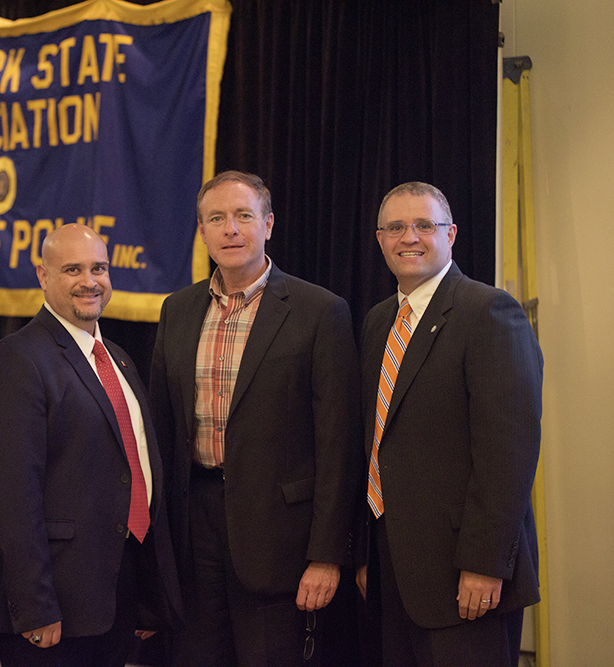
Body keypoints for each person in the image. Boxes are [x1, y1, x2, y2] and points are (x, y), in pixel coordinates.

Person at [149, 170, 362, 666]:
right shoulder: (177, 310)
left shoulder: (319, 311)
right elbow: (161, 431)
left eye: (243, 216)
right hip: (193, 529)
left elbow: (339, 444)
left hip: (281, 541)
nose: (230, 229)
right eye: (216, 219)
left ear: (268, 224)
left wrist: (327, 554)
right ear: (201, 232)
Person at [0, 223, 181, 667]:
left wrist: (145, 591)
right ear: (43, 275)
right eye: (73, 269)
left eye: (98, 268)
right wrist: (34, 605)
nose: (90, 281)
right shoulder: (18, 359)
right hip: (54, 606)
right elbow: (10, 498)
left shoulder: (118, 358)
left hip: (115, 597)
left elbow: (134, 470)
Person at [356, 182, 543, 666]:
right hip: (395, 569)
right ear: (380, 240)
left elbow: (509, 453)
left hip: (468, 577)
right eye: (395, 227)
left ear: (451, 234)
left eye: (424, 225)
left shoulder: (488, 312)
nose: (409, 237)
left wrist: (483, 564)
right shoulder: (379, 321)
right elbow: (378, 442)